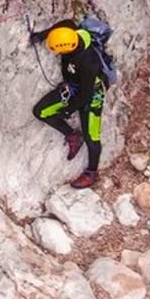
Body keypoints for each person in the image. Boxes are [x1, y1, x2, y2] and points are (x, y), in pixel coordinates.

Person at [29, 19, 107, 189]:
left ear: (68, 47)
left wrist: (68, 110)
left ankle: (91, 173)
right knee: (40, 111)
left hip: (91, 95)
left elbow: (86, 95)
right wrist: (43, 35)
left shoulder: (89, 62)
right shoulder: (73, 34)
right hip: (72, 88)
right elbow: (68, 22)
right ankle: (72, 136)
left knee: (92, 136)